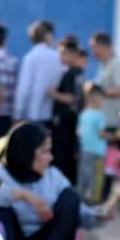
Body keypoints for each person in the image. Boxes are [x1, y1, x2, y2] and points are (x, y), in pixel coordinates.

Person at [0, 122, 85, 240]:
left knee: (71, 198)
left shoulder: (53, 175)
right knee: (0, 211)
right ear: (26, 152)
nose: (50, 157)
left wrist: (100, 214)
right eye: (45, 152)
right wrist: (24, 195)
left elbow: (78, 211)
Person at [47, 37, 83, 184]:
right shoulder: (77, 72)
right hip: (71, 120)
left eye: (63, 53)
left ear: (73, 54)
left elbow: (71, 98)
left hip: (65, 120)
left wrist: (53, 93)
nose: (60, 57)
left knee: (61, 155)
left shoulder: (71, 73)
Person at [13, 20, 62, 124]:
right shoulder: (58, 57)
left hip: (31, 114)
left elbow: (24, 88)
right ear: (48, 35)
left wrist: (17, 113)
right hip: (51, 115)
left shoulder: (30, 57)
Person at [89, 31, 120, 132]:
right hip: (101, 120)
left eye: (95, 47)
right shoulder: (103, 65)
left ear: (104, 46)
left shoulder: (118, 64)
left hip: (111, 122)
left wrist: (99, 90)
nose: (93, 51)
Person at [77, 83, 108, 204]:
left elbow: (78, 132)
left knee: (84, 174)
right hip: (98, 151)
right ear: (96, 98)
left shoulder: (83, 114)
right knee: (97, 176)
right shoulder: (99, 115)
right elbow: (101, 133)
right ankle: (94, 200)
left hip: (85, 149)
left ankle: (81, 197)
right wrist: (113, 136)